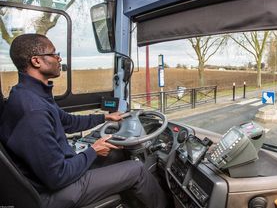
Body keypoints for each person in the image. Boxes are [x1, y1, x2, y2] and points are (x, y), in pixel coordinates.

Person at [0, 34, 167, 208]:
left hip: (53, 175)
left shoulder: (30, 94)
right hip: (52, 194)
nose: (59, 58)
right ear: (36, 61)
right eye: (54, 54)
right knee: (137, 170)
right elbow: (58, 176)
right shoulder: (33, 110)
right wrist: (93, 151)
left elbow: (67, 121)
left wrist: (105, 117)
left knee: (116, 153)